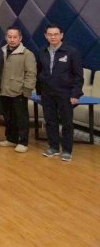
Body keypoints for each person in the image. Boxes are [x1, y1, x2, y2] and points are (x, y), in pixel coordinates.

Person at [37, 25, 84, 162]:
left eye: (56, 34)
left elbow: (78, 76)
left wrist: (75, 94)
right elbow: (39, 72)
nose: (53, 37)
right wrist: (39, 91)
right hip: (47, 92)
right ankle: (53, 147)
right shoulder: (42, 51)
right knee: (50, 121)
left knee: (67, 122)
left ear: (61, 35)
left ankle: (67, 150)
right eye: (50, 34)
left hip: (65, 93)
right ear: (46, 36)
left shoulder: (72, 52)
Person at [0, 27, 37, 153]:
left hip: (19, 91)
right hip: (3, 90)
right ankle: (11, 139)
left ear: (20, 38)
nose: (12, 39)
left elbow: (31, 74)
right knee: (8, 117)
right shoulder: (1, 51)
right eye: (9, 37)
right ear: (6, 37)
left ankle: (22, 142)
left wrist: (27, 90)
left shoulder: (27, 54)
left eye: (15, 37)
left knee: (21, 118)